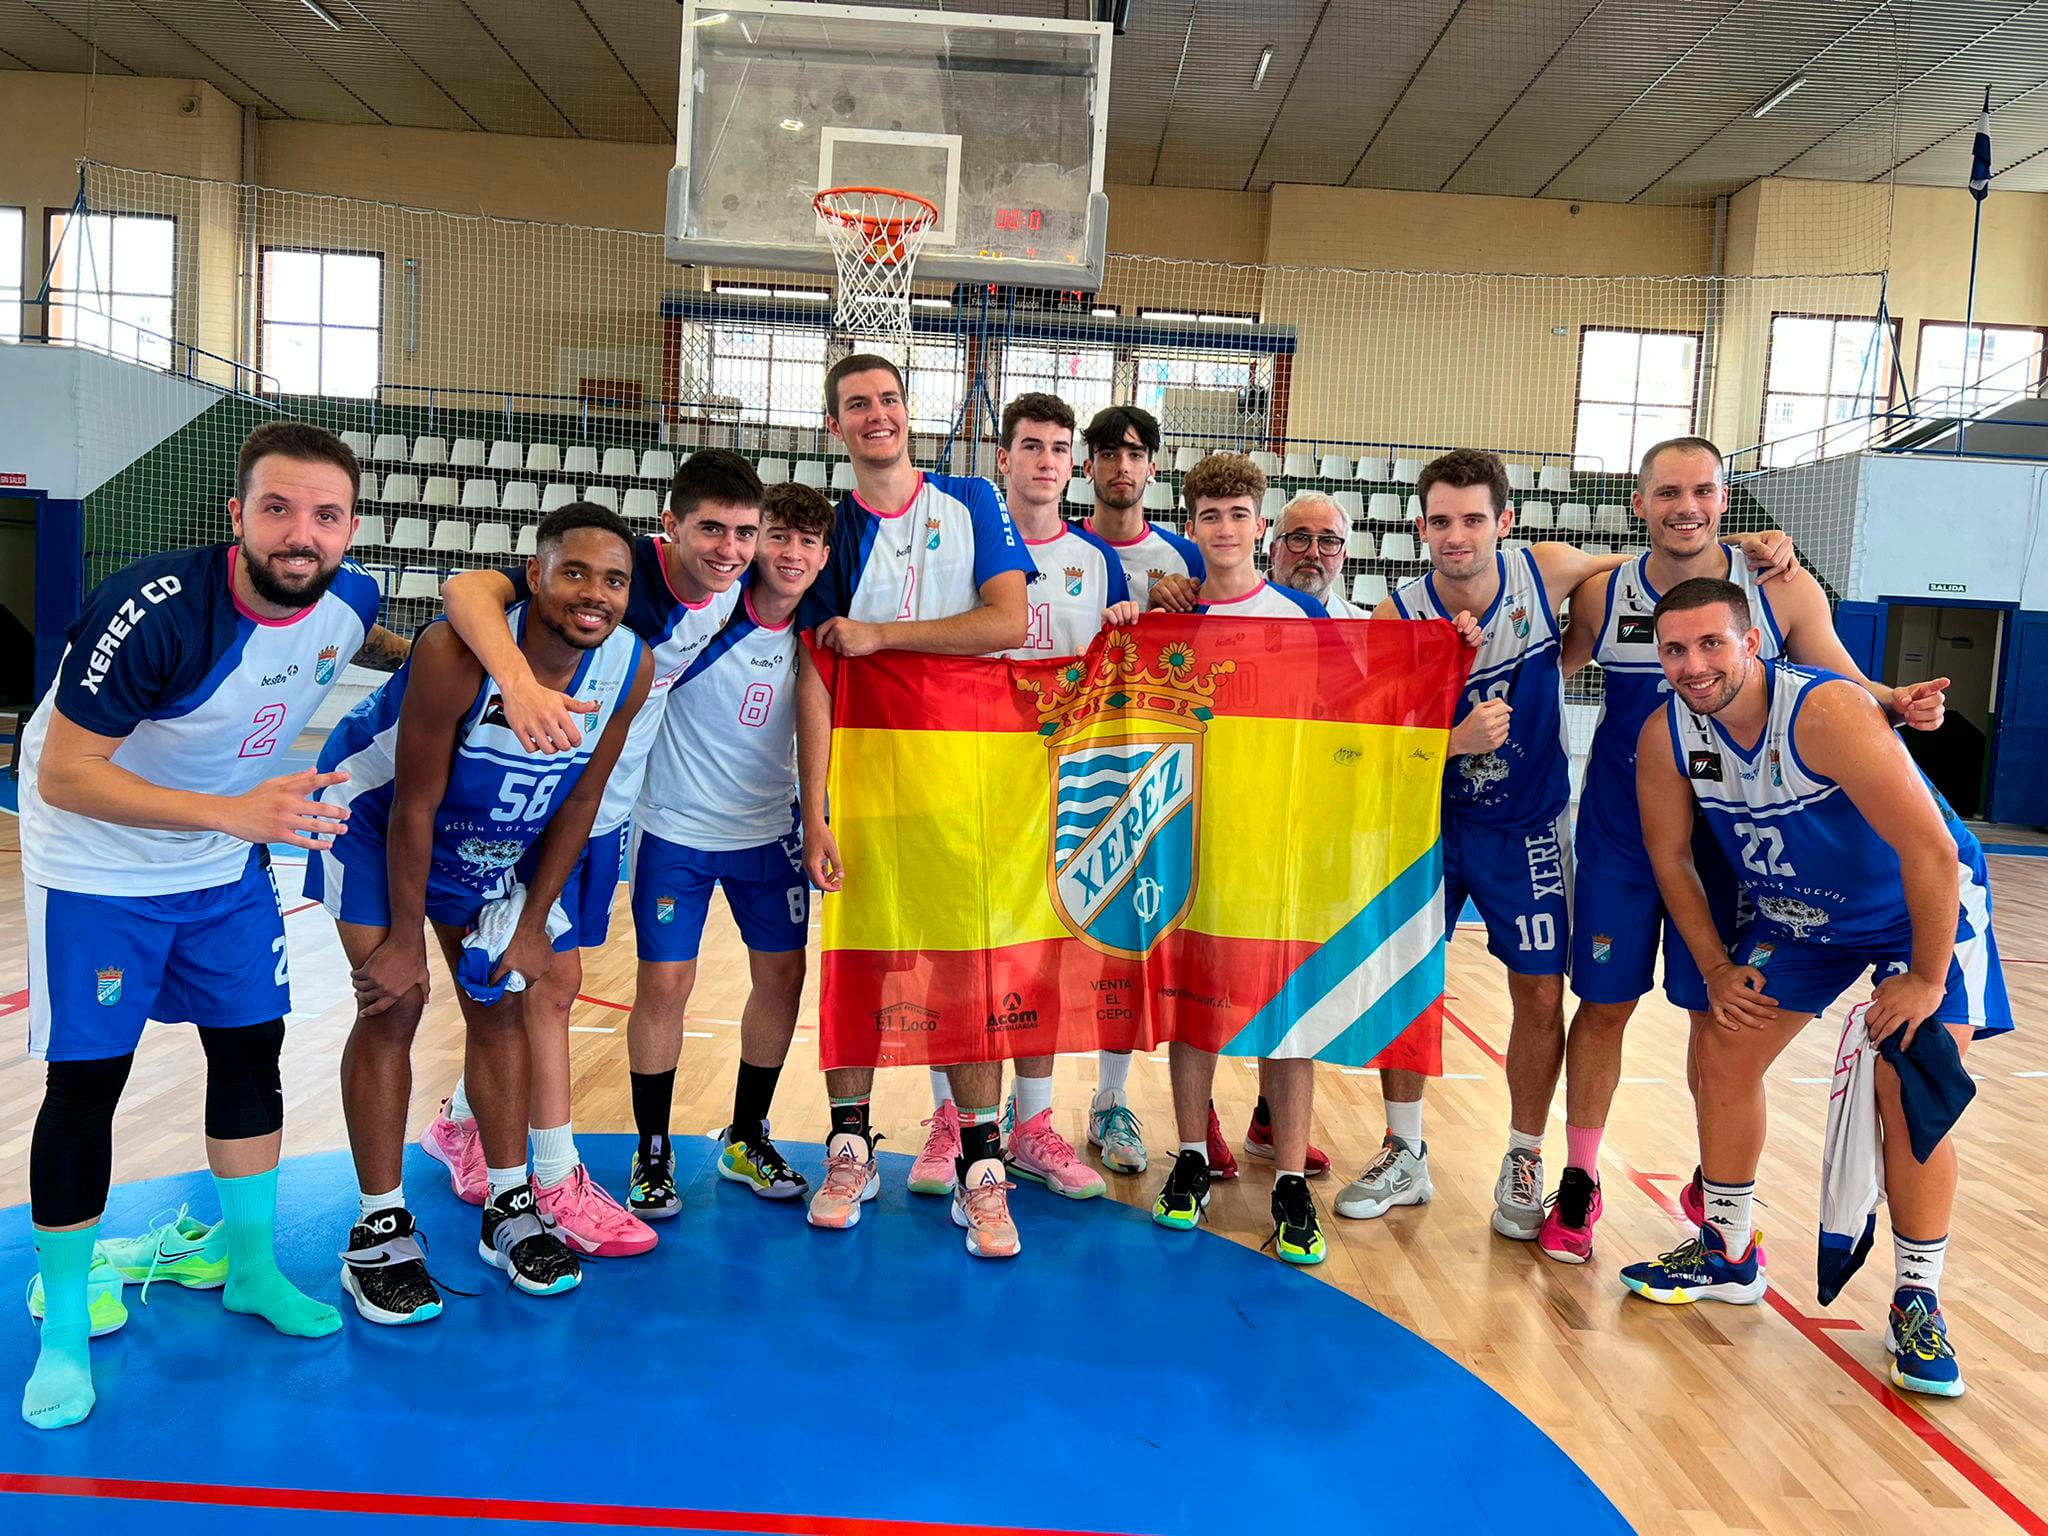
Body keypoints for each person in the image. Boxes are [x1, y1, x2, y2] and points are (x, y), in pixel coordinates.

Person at [18, 422, 387, 1428]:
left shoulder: (350, 601)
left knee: (250, 1052)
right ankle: (58, 1334)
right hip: (95, 863)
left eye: (324, 515)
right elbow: (67, 773)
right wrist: (238, 814)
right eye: (276, 509)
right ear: (236, 515)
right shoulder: (157, 613)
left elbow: (428, 628)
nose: (299, 534)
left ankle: (251, 1269)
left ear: (352, 529)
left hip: (221, 860)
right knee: (88, 1082)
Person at [1339, 453, 1795, 1236]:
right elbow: (1367, 742)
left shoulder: (1546, 572)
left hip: (1529, 828)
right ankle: (1405, 1150)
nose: (1457, 535)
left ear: (1505, 523)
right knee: (1404, 986)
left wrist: (1761, 547)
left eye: (1474, 518)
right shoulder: (1396, 616)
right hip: (1425, 829)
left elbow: (1651, 556)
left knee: (1543, 993)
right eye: (1441, 521)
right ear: (1419, 529)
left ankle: (1524, 1156)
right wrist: (1451, 739)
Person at [1546, 436, 1948, 1264]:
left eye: (1701, 490)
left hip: (1738, 842)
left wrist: (1896, 700)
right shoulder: (1603, 592)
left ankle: (1715, 1189)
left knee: (1719, 1017)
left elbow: (1839, 675)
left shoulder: (1778, 583)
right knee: (1604, 1007)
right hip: (1627, 833)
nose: (1684, 505)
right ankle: (1581, 1180)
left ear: (1727, 498)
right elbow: (1541, 667)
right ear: (1639, 501)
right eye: (1666, 492)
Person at [1622, 577, 2009, 1399]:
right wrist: (1720, 968)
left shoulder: (1825, 713)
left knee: (1911, 1080)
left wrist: (1927, 978)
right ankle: (1727, 1251)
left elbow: (1932, 853)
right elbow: (1673, 859)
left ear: (1752, 641)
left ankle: (1918, 1298)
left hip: (1917, 912)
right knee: (1724, 1047)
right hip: (1802, 915)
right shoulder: (1667, 734)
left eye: (1712, 643)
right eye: (1676, 649)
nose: (1694, 665)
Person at [311, 502, 651, 1323]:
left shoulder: (628, 665)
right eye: (574, 573)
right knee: (396, 1003)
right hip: (372, 822)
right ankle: (379, 1226)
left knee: (499, 1001)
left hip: (494, 839)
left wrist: (532, 923)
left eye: (613, 580)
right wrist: (400, 940)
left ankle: (509, 1207)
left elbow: (582, 800)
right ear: (534, 576)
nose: (594, 595)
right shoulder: (454, 653)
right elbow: (413, 807)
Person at [430, 451, 757, 1245]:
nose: (727, 548)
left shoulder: (726, 595)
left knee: (536, 981)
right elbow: (468, 589)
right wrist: (515, 677)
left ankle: (461, 1118)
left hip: (599, 813)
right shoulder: (605, 577)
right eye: (709, 528)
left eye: (743, 532)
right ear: (668, 528)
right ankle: (551, 1175)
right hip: (523, 804)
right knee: (549, 982)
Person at [797, 352, 1032, 1258]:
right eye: (857, 405)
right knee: (862, 970)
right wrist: (816, 812)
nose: (877, 415)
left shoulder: (971, 500)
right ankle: (849, 1147)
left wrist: (883, 638)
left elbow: (1007, 623)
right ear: (836, 427)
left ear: (909, 411)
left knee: (968, 978)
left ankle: (982, 1169)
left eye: (889, 399)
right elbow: (816, 675)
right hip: (868, 790)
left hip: (969, 787)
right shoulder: (832, 531)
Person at [1146, 452, 1331, 1267]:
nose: (1225, 530)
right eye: (1210, 517)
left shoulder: (1305, 617)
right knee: (1194, 1007)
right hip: (1192, 840)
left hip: (1280, 844)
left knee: (1288, 1018)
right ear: (1193, 529)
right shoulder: (1166, 620)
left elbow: (1347, 727)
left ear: (1262, 525)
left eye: (1239, 515)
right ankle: (1190, 1154)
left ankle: (1290, 1175)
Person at [626, 480, 832, 1202]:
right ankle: (651, 1156)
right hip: (674, 831)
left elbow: (818, 720)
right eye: (778, 536)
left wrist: (816, 819)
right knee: (664, 987)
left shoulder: (815, 630)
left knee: (782, 980)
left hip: (766, 833)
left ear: (824, 555)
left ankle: (747, 1137)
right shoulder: (704, 610)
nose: (791, 553)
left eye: (809, 543)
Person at [990, 392, 1137, 1199]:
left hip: (1061, 791)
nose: (1045, 460)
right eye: (1030, 446)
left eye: (1057, 448)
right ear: (1003, 457)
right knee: (965, 953)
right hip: (979, 781)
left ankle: (1033, 1122)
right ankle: (955, 1120)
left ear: (1070, 465)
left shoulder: (1096, 562)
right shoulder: (971, 548)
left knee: (1043, 958)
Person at [1074, 402, 1203, 1174]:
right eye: (1108, 453)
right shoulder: (1050, 547)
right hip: (1065, 760)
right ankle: (1023, 1116)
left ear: (1153, 467)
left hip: (1149, 765)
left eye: (1136, 453)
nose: (1123, 466)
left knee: (1123, 942)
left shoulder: (1185, 554)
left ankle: (1110, 1099)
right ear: (1088, 466)